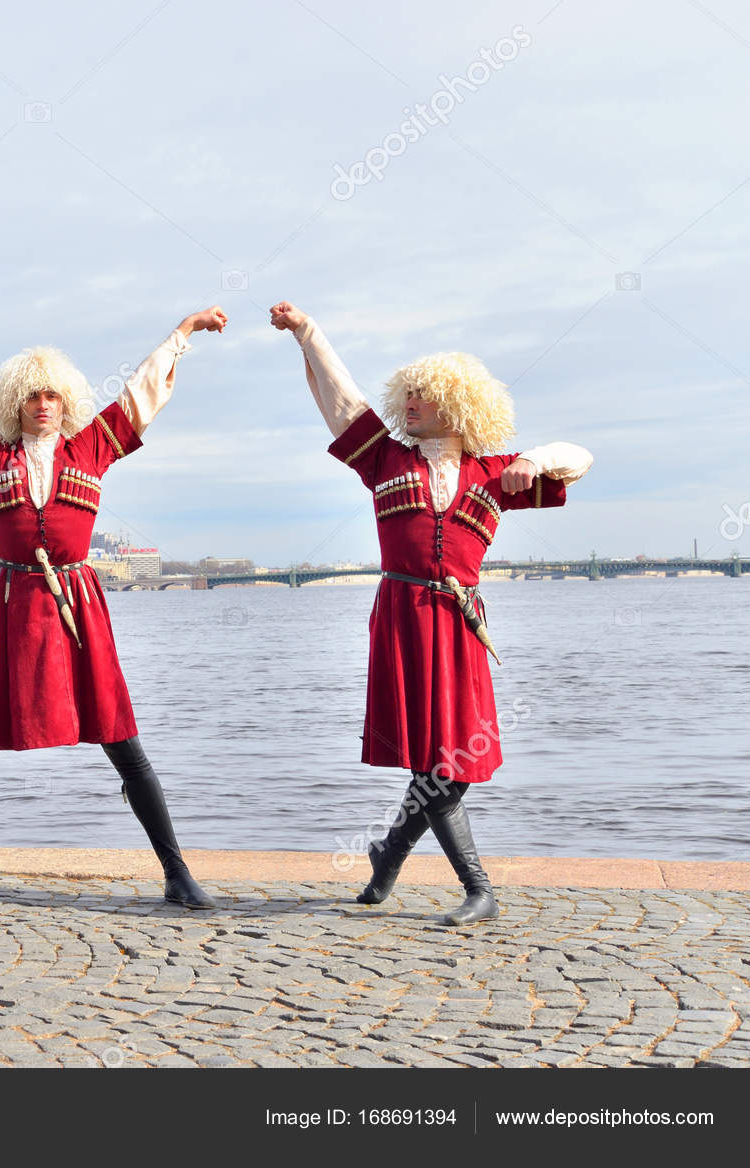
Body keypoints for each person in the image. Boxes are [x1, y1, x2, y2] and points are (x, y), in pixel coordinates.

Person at [0, 302, 227, 909]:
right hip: (13, 609)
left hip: (80, 610)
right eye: (32, 396)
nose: (43, 404)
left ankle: (177, 872)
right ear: (16, 402)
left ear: (65, 400)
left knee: (122, 740)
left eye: (52, 395)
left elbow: (142, 393)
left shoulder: (94, 445)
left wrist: (182, 334)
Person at [269, 300, 592, 925]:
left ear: (460, 405)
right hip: (403, 618)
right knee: (435, 762)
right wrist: (308, 333)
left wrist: (536, 457)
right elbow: (342, 400)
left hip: (460, 626)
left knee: (454, 762)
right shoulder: (385, 459)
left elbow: (581, 458)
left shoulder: (496, 474)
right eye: (409, 394)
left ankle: (390, 853)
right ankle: (478, 890)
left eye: (426, 395)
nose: (411, 403)